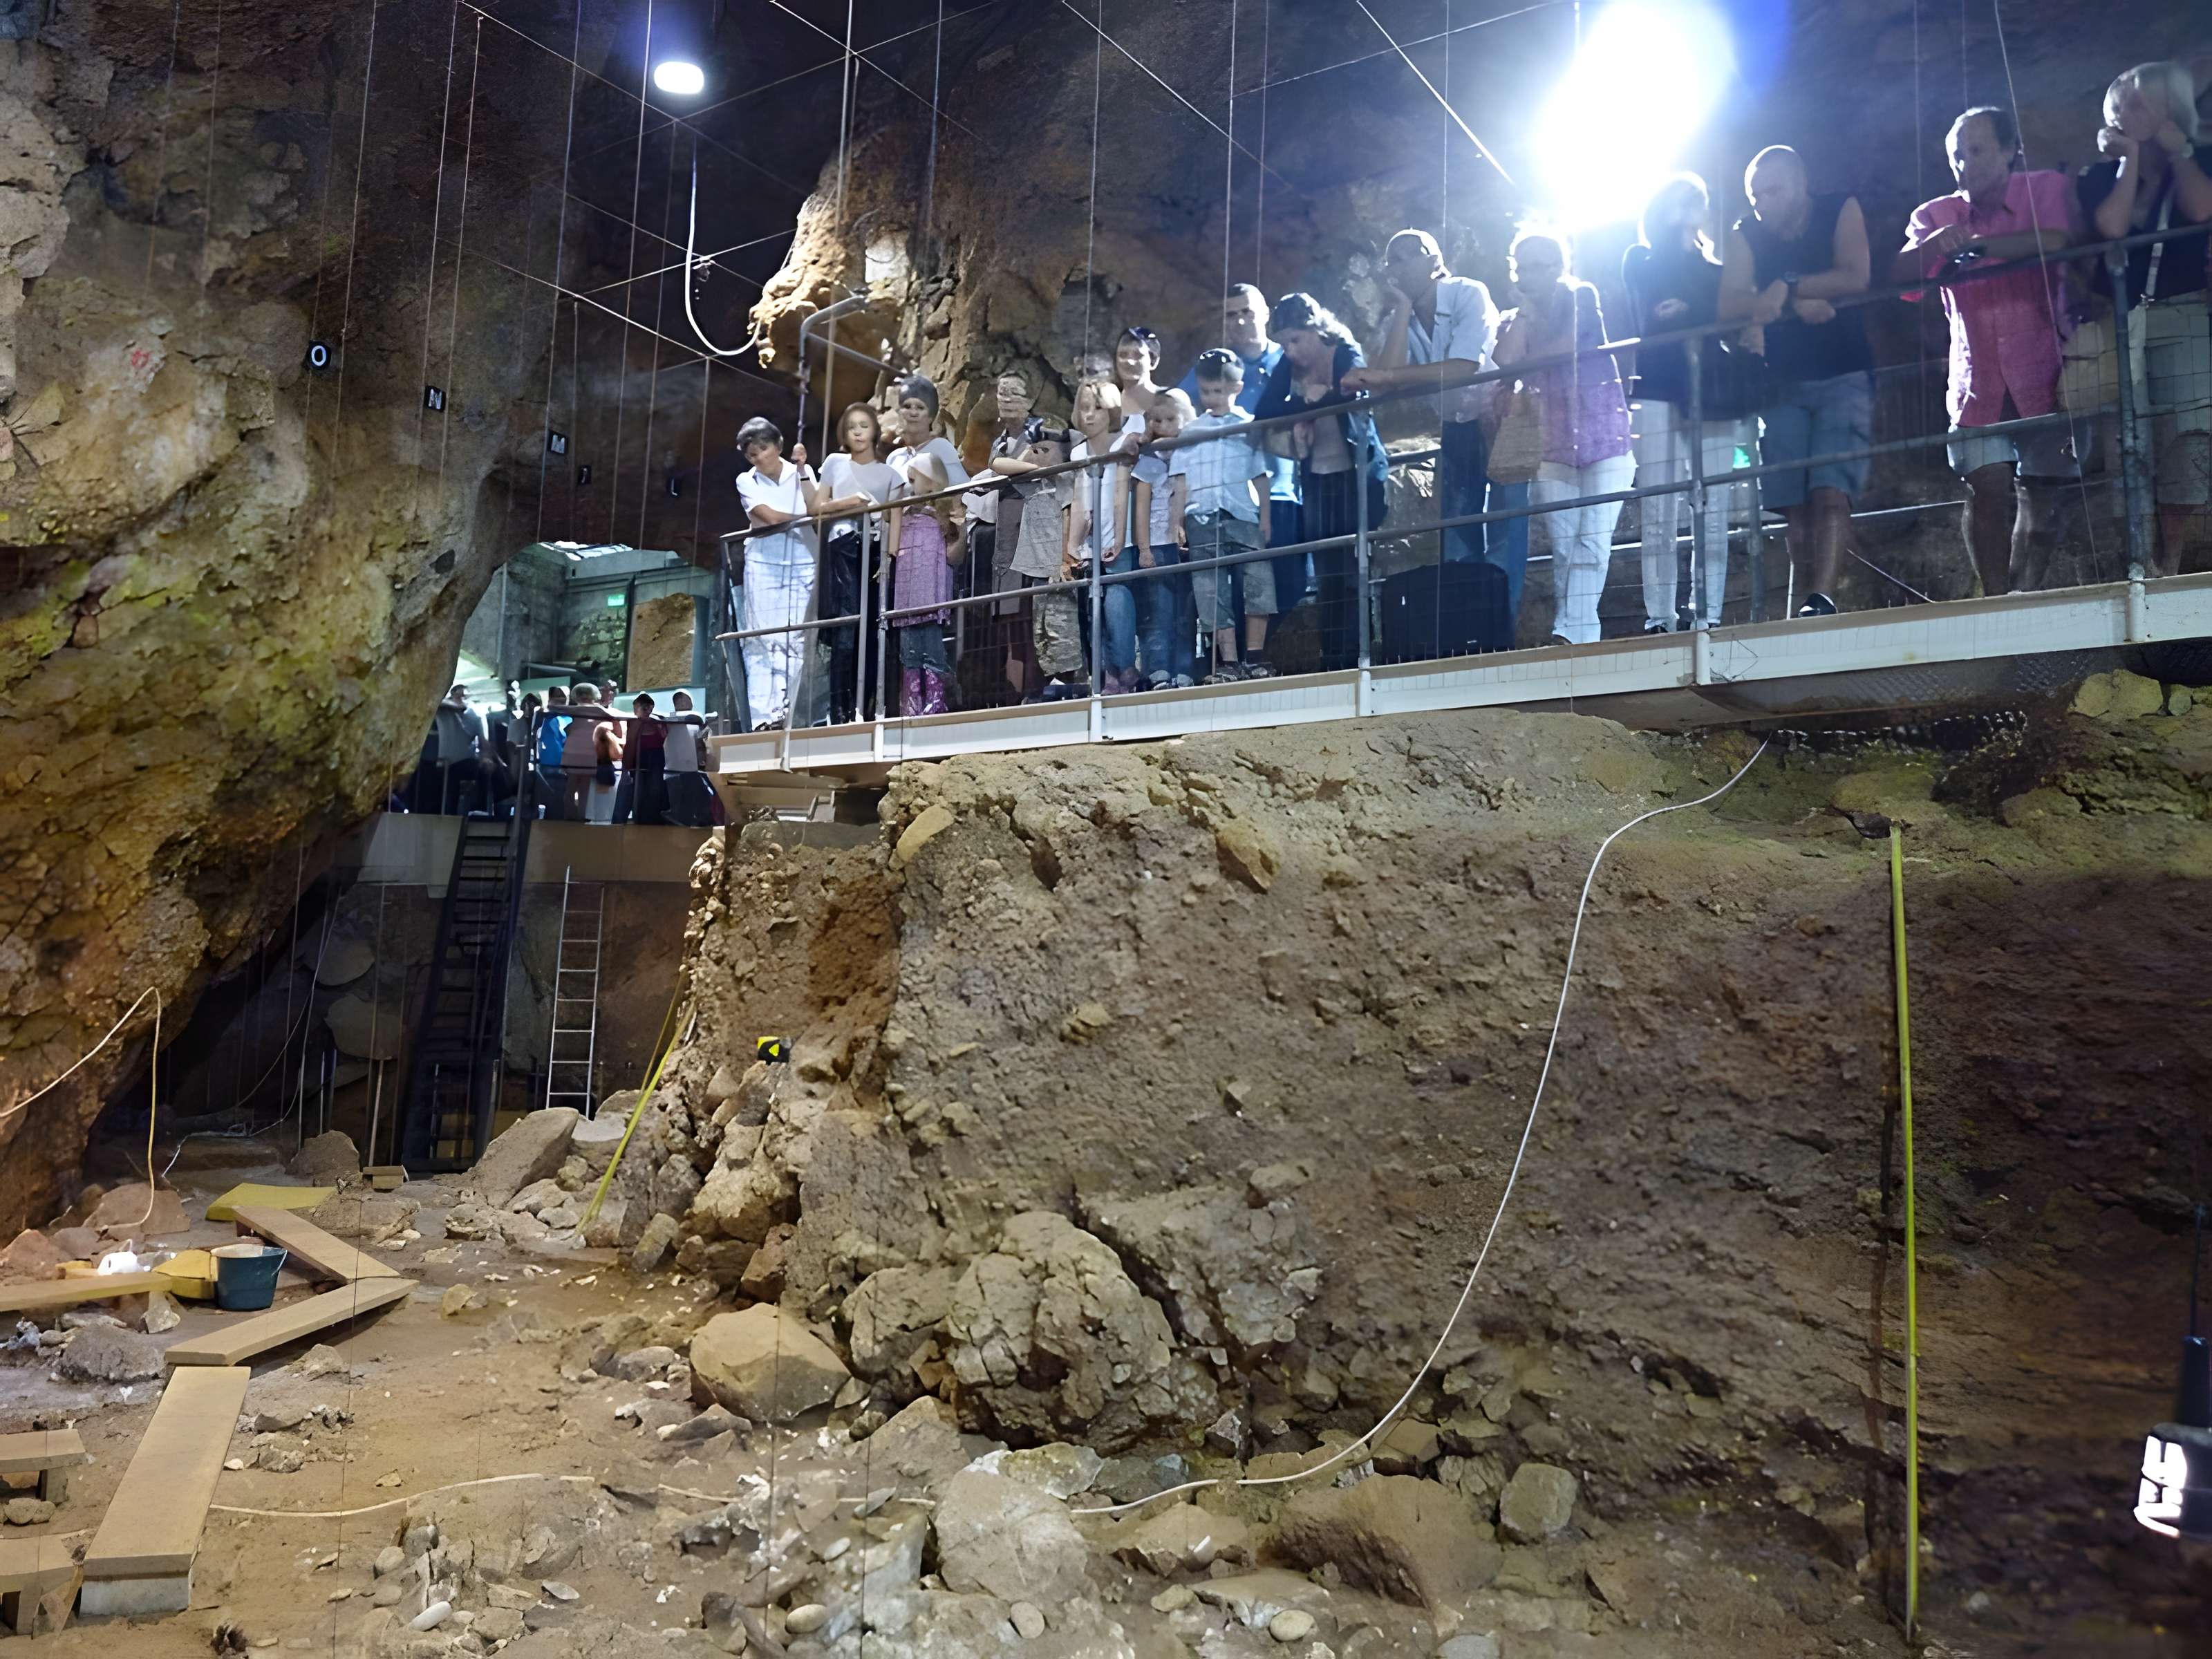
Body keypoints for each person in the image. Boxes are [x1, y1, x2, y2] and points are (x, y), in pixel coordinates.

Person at [1896, 107, 2082, 597]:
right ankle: (1997, 601)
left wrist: (1980, 247)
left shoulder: (2044, 189)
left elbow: (2060, 240)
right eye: (1957, 155)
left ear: (2009, 150)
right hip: (1976, 381)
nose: (1965, 164)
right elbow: (1901, 282)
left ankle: (2023, 592)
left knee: (2044, 500)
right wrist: (1936, 247)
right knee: (1987, 488)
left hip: (2047, 370)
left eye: (1977, 151)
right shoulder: (1934, 216)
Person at [1719, 146, 1874, 617]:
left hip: (1844, 372)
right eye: (1755, 195)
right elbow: (1729, 305)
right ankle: (1804, 604)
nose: (1763, 203)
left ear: (1800, 184)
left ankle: (1821, 599)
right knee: (1793, 506)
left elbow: (1856, 276)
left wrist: (1784, 286)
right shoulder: (1745, 232)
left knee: (1831, 494)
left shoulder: (1839, 208)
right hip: (1781, 382)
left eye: (1773, 190)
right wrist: (1795, 301)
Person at [2079, 62, 2212, 573]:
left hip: (2184, 313)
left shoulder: (2199, 161)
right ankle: (2137, 560)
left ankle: (2170, 558)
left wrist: (2180, 153)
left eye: (2136, 104)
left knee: (2185, 436)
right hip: (2121, 320)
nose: (2121, 115)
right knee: (2126, 442)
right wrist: (2130, 160)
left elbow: (2201, 210)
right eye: (2116, 106)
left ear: (2170, 109)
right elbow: (2113, 226)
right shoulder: (2098, 177)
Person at [1621, 174, 1761, 632]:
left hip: (1712, 392)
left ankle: (1708, 614)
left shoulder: (1717, 269)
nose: (1690, 209)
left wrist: (1691, 308)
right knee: (1658, 506)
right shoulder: (1641, 259)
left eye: (1696, 202)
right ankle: (1660, 616)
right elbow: (1652, 313)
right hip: (1658, 388)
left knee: (1713, 504)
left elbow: (1723, 315)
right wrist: (1695, 307)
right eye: (1680, 202)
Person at [1492, 231, 1633, 646]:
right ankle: (1579, 638)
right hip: (1553, 444)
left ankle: (1567, 633)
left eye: (1535, 267)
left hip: (1604, 438)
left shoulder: (1581, 296)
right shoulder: (1516, 317)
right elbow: (1504, 360)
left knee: (1593, 541)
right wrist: (1524, 312)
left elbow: (1564, 346)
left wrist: (1527, 355)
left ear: (1557, 266)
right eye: (1520, 268)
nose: (1526, 276)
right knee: (1565, 549)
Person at [1256, 293, 1387, 673]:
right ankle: (1333, 659)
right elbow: (1264, 412)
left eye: (1296, 340)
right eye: (1284, 343)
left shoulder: (1344, 351)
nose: (1291, 351)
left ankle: (1359, 657)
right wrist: (1309, 403)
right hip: (1316, 479)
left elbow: (1353, 396)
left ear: (1315, 328)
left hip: (1355, 476)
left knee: (1353, 569)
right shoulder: (1289, 364)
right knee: (1328, 573)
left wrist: (1317, 400)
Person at [1369, 229, 1500, 568]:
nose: (1394, 269)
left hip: (1498, 419)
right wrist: (1402, 309)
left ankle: (1506, 598)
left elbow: (1464, 366)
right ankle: (1467, 593)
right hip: (1454, 426)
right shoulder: (1403, 319)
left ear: (1434, 261)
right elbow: (1382, 384)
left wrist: (1390, 378)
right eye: (1390, 263)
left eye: (1403, 258)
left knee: (1504, 525)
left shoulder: (1467, 293)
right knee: (1457, 530)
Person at [1180, 285, 1304, 632]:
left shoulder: (1289, 357)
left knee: (1288, 582)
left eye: (1247, 311)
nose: (1239, 320)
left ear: (1265, 314)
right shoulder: (1218, 364)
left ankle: (1268, 654)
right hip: (1228, 497)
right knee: (1232, 590)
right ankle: (1241, 658)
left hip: (1282, 490)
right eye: (1231, 314)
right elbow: (1178, 401)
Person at [1172, 351, 1275, 681]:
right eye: (1206, 391)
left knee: (1258, 581)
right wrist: (1177, 521)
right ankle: (1228, 661)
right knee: (1210, 589)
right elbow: (1180, 480)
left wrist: (1266, 517)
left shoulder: (1249, 426)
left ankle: (1256, 656)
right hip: (1201, 516)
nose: (1211, 398)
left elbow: (1261, 476)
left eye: (1218, 391)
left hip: (1243, 513)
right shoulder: (1191, 431)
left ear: (1236, 388)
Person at [814, 402, 900, 723]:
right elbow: (817, 507)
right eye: (852, 427)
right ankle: (840, 708)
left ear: (874, 429)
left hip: (876, 548)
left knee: (874, 628)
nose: (858, 432)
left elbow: (894, 517)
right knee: (846, 625)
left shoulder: (890, 473)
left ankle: (869, 703)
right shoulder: (835, 463)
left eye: (864, 425)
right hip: (844, 545)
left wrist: (890, 557)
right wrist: (851, 503)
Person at [734, 415, 820, 729]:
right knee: (761, 638)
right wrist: (802, 517)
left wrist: (805, 509)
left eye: (763, 449)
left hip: (803, 560)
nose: (758, 458)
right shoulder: (747, 480)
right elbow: (766, 517)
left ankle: (788, 711)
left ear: (778, 445)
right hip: (763, 563)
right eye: (751, 454)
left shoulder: (802, 472)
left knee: (795, 637)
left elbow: (816, 507)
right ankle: (763, 717)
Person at [994, 420, 1085, 699]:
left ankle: (1068, 682)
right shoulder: (1034, 482)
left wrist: (1065, 558)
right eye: (1035, 449)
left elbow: (1069, 515)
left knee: (1062, 627)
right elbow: (998, 464)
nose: (1036, 454)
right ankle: (1052, 682)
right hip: (1037, 569)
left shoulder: (1067, 479)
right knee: (1041, 628)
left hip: (1059, 567)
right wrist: (1035, 459)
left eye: (1045, 450)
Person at [964, 370, 1040, 703]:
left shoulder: (1041, 433)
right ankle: (1014, 693)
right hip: (1005, 533)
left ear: (1030, 400)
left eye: (1014, 393)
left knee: (1031, 614)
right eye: (1002, 393)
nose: (1006, 399)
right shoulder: (999, 442)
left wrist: (1003, 468)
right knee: (1009, 619)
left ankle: (1035, 689)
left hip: (1034, 527)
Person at [883, 439, 963, 716]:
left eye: (913, 479)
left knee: (930, 645)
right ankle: (912, 703)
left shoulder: (941, 515)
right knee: (909, 649)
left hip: (930, 590)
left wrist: (960, 529)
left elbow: (953, 553)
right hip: (907, 592)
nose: (909, 485)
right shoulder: (904, 512)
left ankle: (936, 700)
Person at [1128, 388, 1195, 688]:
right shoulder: (1148, 461)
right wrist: (1144, 549)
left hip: (1186, 544)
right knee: (1158, 611)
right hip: (1157, 543)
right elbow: (1141, 509)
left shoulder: (1191, 455)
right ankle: (1158, 670)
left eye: (1171, 419)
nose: (1164, 426)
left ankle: (1184, 669)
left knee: (1185, 612)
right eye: (1157, 420)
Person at [1065, 375, 1127, 689]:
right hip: (1091, 544)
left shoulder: (1123, 445)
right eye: (1085, 408)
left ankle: (1125, 669)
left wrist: (1119, 537)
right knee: (1093, 612)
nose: (1089, 415)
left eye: (1098, 408)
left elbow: (1121, 494)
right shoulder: (1078, 454)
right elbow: (1079, 500)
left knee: (1117, 607)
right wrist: (1072, 545)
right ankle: (1103, 676)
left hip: (1119, 541)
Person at [425, 683, 488, 814]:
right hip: (442, 764)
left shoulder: (476, 714)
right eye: (459, 696)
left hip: (464, 762)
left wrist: (485, 758)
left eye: (464, 696)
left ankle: (477, 811)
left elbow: (484, 742)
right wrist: (455, 706)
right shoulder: (444, 710)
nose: (462, 699)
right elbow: (431, 701)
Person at [662, 690, 715, 825]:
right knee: (681, 810)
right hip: (673, 771)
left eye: (686, 700)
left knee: (699, 804)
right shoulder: (669, 720)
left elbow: (701, 744)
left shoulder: (696, 720)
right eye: (680, 700)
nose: (683, 703)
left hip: (690, 770)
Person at [621, 692, 668, 825]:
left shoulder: (658, 721)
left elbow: (664, 735)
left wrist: (653, 722)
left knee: (655, 787)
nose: (647, 710)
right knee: (639, 787)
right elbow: (631, 740)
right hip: (639, 756)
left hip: (656, 757)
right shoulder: (633, 722)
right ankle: (640, 816)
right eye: (643, 707)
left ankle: (652, 817)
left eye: (649, 708)